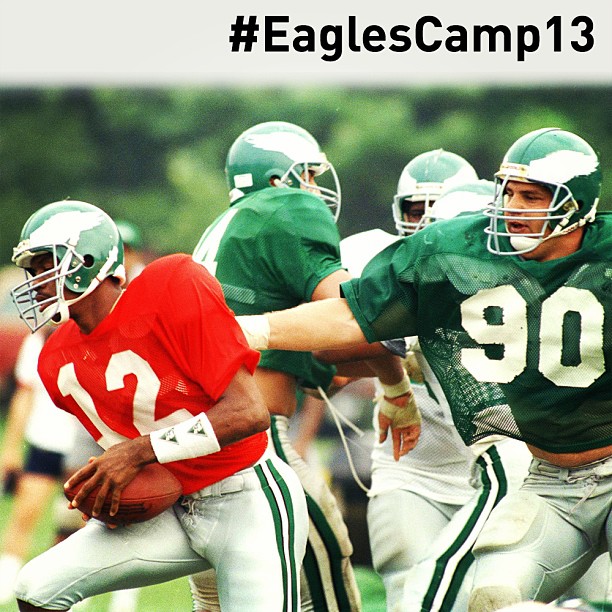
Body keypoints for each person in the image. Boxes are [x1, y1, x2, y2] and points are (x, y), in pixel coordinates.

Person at [236, 127, 611, 610]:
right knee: (489, 599)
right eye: (509, 192)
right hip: (547, 481)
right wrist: (247, 330)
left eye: (532, 197)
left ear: (576, 206)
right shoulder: (451, 250)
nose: (513, 207)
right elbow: (350, 317)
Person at [9, 199, 308, 611]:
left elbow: (248, 413)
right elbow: (131, 455)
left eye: (47, 265)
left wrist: (134, 454)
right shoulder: (56, 360)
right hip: (174, 506)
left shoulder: (172, 284)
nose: (37, 281)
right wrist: (110, 493)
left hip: (247, 495)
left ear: (89, 259)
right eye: (33, 270)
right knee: (36, 588)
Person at [191, 120, 413, 612]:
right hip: (253, 443)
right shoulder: (285, 209)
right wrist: (398, 378)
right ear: (278, 181)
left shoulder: (224, 231)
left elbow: (318, 365)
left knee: (217, 600)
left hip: (196, 440)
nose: (314, 190)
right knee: (328, 569)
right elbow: (355, 316)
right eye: (307, 176)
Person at [324, 169, 531, 612]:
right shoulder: (387, 263)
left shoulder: (536, 280)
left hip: (516, 471)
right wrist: (393, 369)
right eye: (418, 212)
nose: (426, 226)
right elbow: (329, 357)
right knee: (411, 592)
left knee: (504, 597)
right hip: (417, 473)